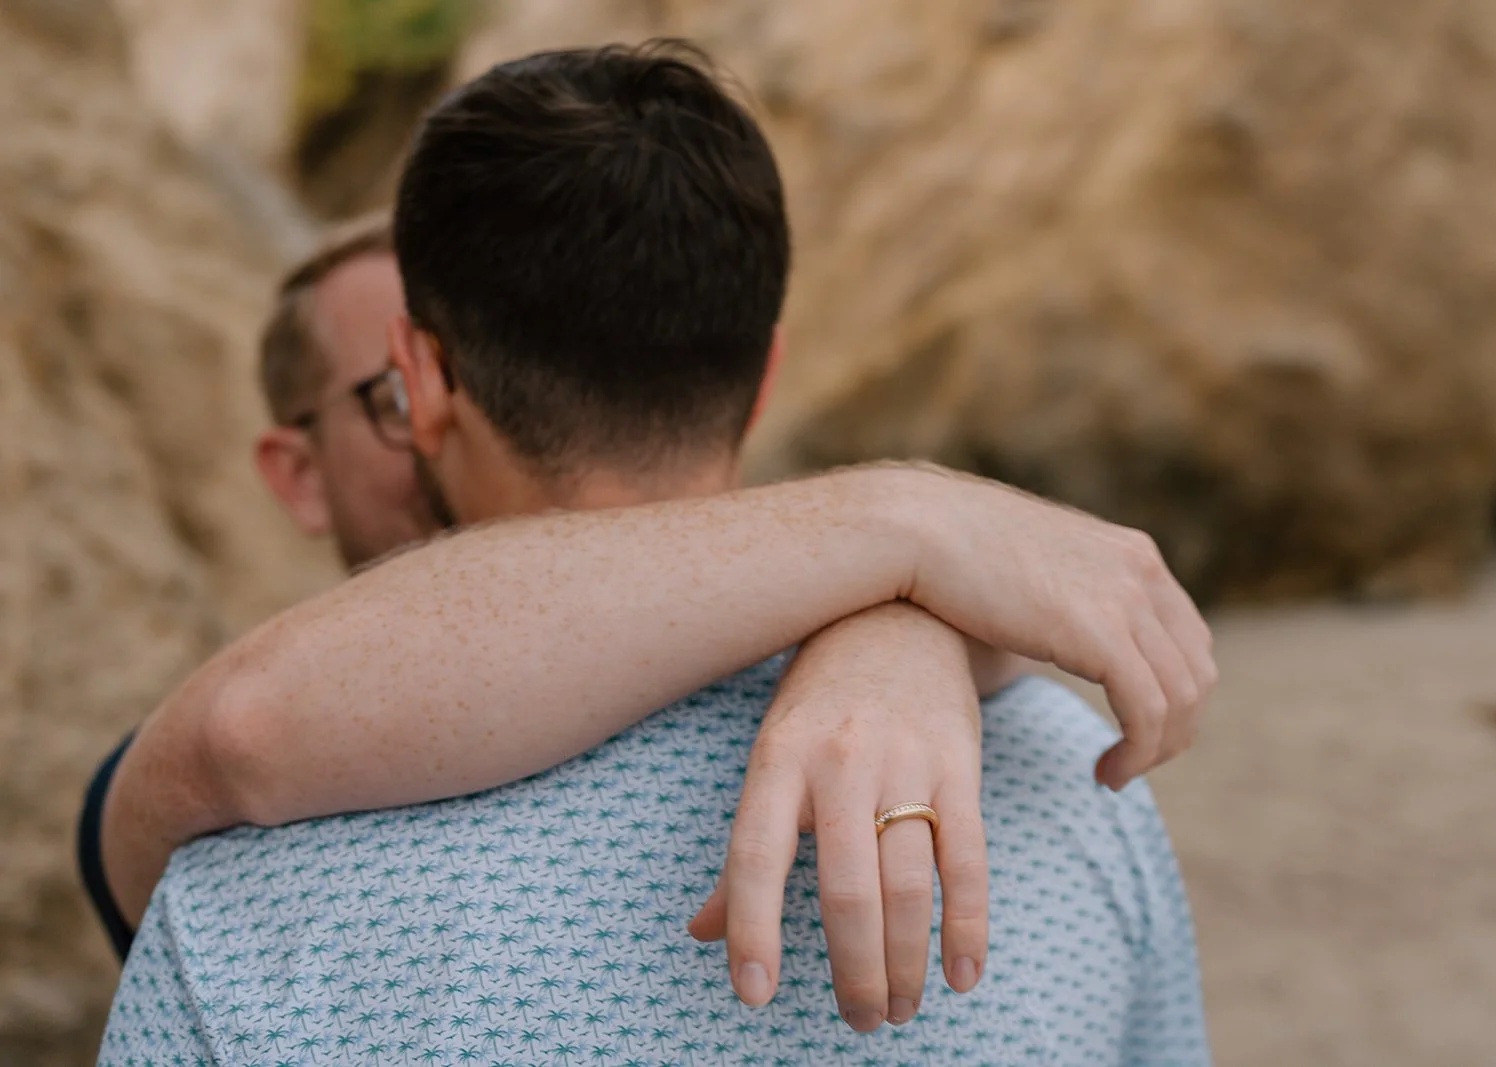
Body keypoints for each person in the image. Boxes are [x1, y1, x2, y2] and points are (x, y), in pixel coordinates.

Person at [97, 41, 1212, 1065]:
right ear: (764, 370)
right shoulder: (1069, 782)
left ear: (423, 380)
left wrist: (899, 599)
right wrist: (907, 559)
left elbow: (233, 733)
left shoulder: (248, 893)